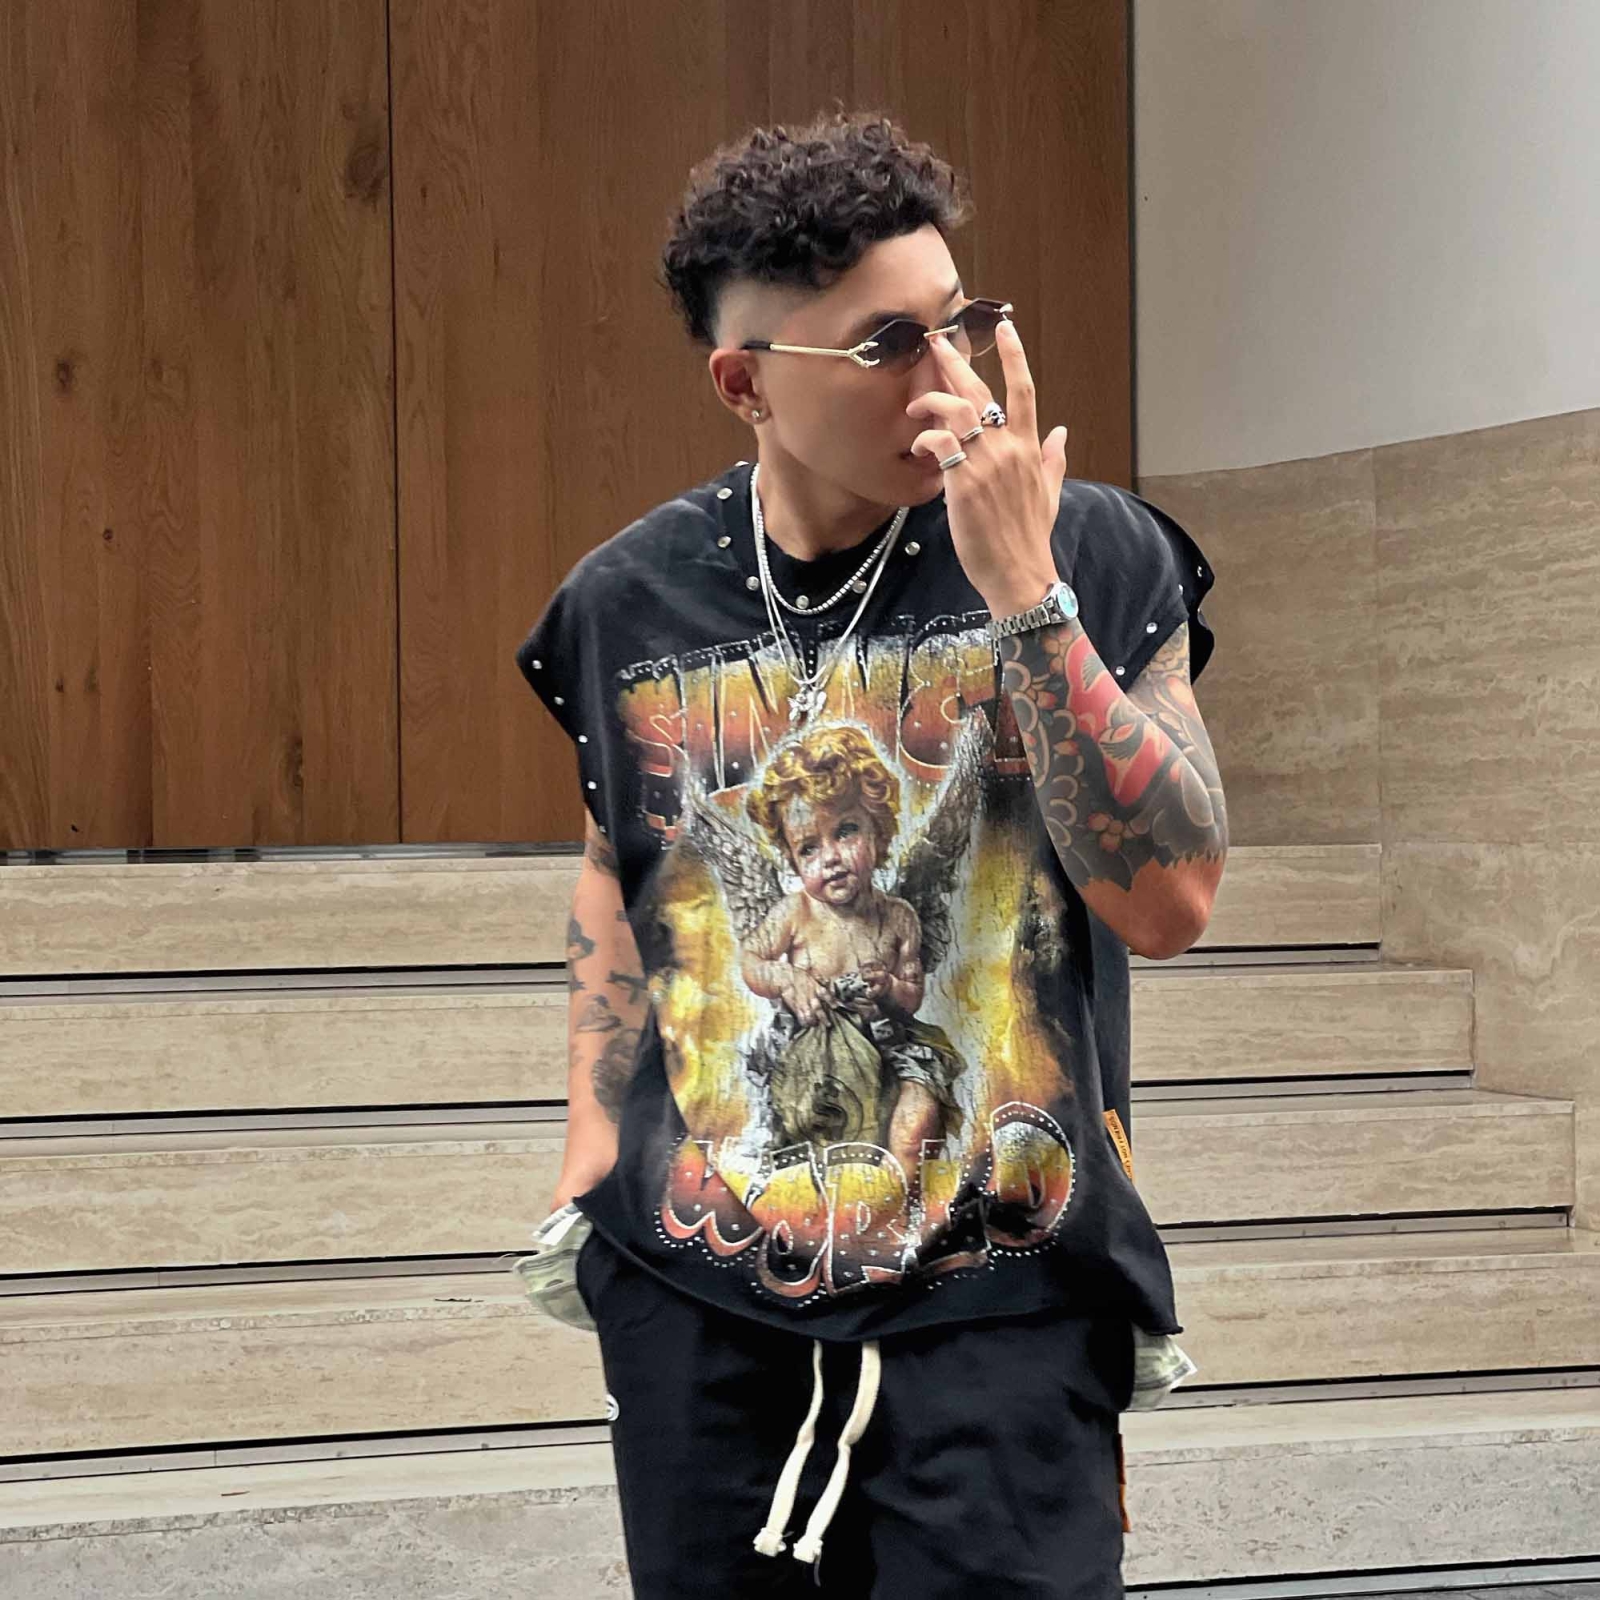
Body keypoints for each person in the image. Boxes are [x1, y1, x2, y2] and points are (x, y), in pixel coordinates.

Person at [513, 107, 1227, 1599]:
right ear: (746, 382)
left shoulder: (1093, 551)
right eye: (890, 344)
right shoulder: (625, 601)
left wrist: (1025, 591)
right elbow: (622, 862)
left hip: (1003, 1300)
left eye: (959, 322)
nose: (949, 377)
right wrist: (593, 1145)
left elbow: (1170, 899)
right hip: (707, 1309)